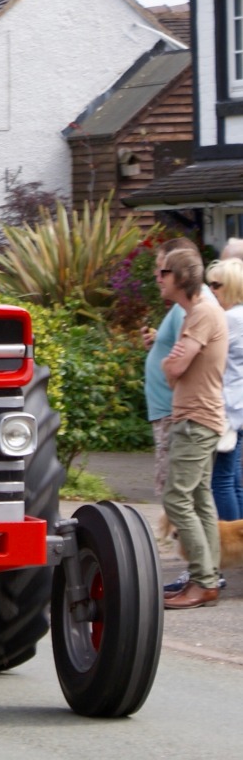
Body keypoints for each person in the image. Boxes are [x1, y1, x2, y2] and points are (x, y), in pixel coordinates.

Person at [158, 242, 228, 610]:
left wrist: (170, 366)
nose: (159, 278)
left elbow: (174, 367)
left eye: (164, 272)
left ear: (182, 277)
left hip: (196, 419)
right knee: (200, 499)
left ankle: (203, 581)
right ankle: (207, 578)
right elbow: (173, 369)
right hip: (199, 417)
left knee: (176, 498)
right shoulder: (194, 312)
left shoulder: (201, 312)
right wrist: (171, 367)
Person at [209, 256, 243, 523]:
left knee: (220, 481)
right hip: (238, 407)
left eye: (217, 284)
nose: (212, 289)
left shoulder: (228, 319)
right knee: (235, 479)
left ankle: (230, 548)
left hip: (226, 409)